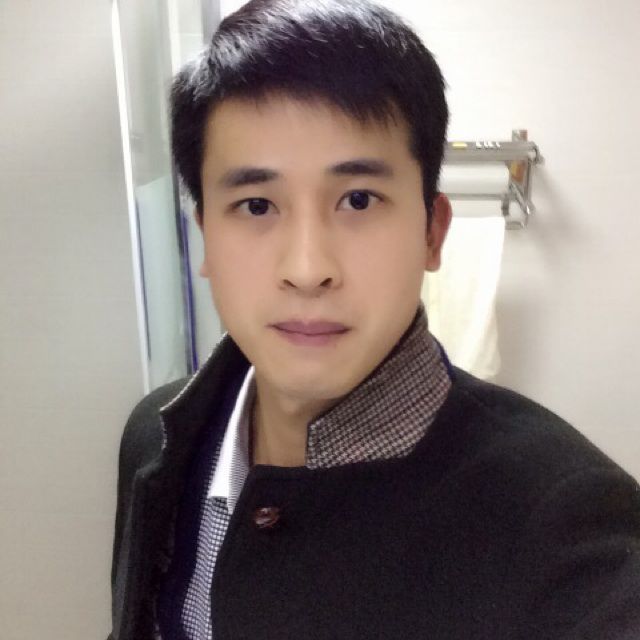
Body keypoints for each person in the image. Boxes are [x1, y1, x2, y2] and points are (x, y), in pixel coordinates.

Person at [107, 1, 640, 638]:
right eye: (256, 205)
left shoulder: (570, 531)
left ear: (432, 232)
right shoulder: (159, 436)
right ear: (205, 239)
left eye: (358, 199)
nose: (308, 269)